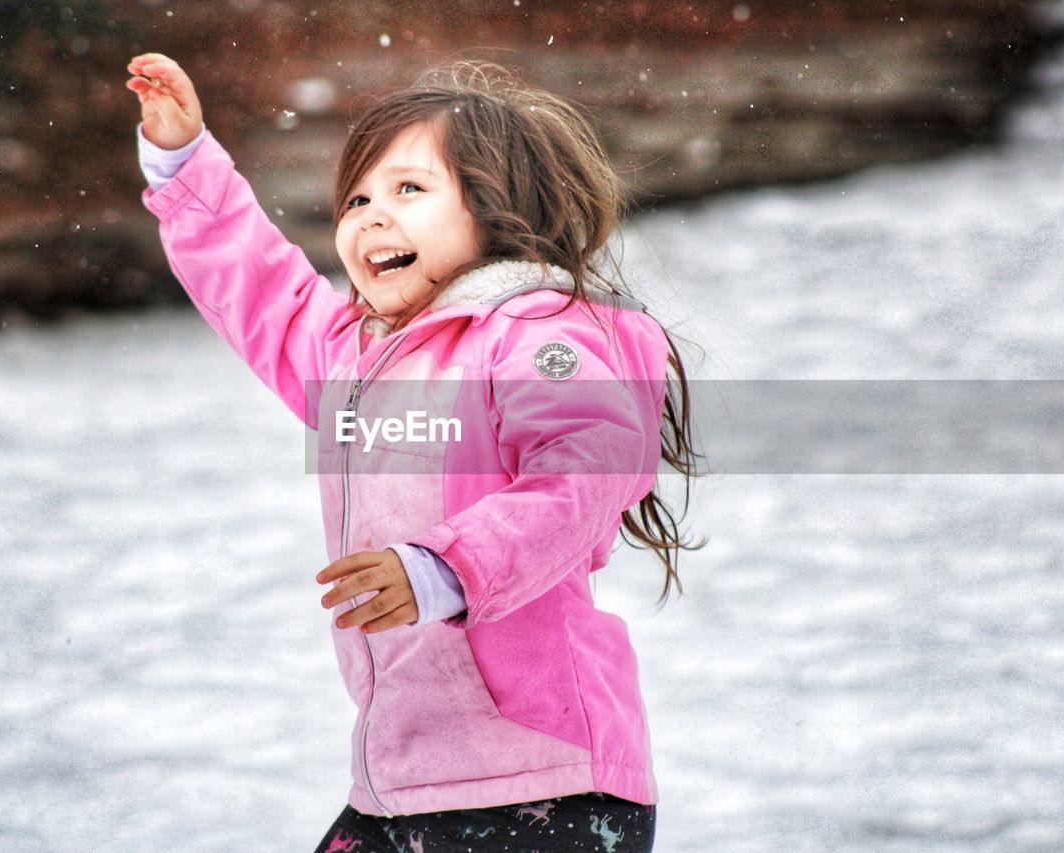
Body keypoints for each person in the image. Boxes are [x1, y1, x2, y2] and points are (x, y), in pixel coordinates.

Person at [126, 52, 701, 852]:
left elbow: (581, 475)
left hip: (544, 781)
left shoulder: (536, 336)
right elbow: (266, 293)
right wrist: (186, 163)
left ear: (494, 211)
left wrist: (444, 566)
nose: (369, 216)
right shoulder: (357, 363)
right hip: (401, 777)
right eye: (356, 197)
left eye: (408, 190)